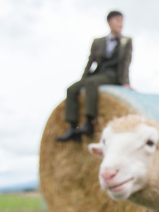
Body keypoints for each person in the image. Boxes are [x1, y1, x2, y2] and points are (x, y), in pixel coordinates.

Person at [56, 11, 133, 142]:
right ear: (109, 22)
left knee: (91, 84)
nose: (121, 24)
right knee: (71, 89)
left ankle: (89, 122)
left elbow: (126, 63)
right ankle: (73, 126)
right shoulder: (98, 41)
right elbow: (90, 61)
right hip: (98, 73)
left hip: (113, 75)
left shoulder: (126, 41)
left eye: (122, 21)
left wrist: (125, 82)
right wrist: (83, 79)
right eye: (117, 20)